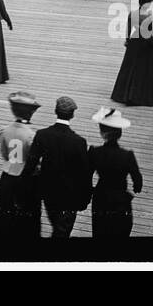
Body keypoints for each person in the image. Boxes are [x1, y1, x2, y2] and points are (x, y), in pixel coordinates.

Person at [26, 96, 91, 239]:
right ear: (72, 115)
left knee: (57, 224)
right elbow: (84, 173)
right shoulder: (79, 142)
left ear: (56, 111)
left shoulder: (43, 135)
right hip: (70, 195)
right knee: (62, 230)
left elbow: (31, 162)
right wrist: (86, 198)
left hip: (48, 191)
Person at [0, 91, 41, 240]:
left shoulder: (5, 131)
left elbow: (5, 154)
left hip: (8, 174)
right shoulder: (31, 135)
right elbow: (33, 159)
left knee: (4, 208)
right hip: (24, 176)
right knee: (25, 211)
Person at [110, 1, 153, 106]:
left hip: (134, 41)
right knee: (145, 68)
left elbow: (128, 29)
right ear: (148, 4)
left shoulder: (133, 13)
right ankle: (143, 94)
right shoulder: (150, 16)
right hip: (146, 43)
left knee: (130, 67)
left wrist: (127, 40)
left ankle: (125, 93)